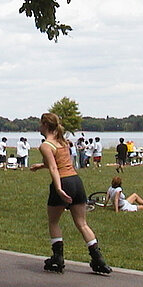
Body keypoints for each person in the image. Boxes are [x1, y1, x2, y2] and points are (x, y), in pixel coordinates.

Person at [30, 113, 112, 274]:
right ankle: (98, 259)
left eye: (40, 124)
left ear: (46, 125)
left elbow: (54, 168)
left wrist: (59, 189)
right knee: (82, 223)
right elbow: (58, 163)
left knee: (53, 222)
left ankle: (58, 258)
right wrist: (40, 166)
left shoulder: (46, 145)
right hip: (76, 182)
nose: (39, 127)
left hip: (63, 182)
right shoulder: (63, 142)